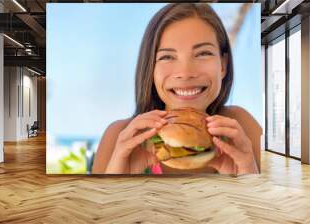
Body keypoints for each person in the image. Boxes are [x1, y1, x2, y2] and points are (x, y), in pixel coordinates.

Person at [92, 3, 261, 175]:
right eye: (167, 57)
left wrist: (248, 177)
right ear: (151, 68)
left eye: (203, 53)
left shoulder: (240, 129)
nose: (185, 73)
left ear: (223, 65)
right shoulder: (120, 138)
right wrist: (117, 182)